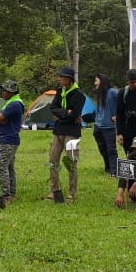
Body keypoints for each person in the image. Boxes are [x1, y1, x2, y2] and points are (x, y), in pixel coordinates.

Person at [47, 66, 85, 203]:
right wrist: (65, 113)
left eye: (62, 77)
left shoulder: (78, 95)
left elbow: (74, 114)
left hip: (72, 133)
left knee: (72, 163)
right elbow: (52, 108)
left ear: (69, 79)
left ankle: (72, 193)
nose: (59, 79)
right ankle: (54, 190)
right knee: (53, 161)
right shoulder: (59, 91)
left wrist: (61, 115)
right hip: (58, 131)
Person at [0, 80, 24, 208]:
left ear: (11, 92)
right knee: (9, 167)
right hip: (9, 138)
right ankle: (11, 193)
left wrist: (0, 117)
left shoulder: (14, 104)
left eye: (5, 91)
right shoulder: (12, 103)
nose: (3, 93)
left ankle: (5, 195)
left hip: (7, 139)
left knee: (1, 167)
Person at [92, 74, 119, 175]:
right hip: (98, 126)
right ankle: (108, 168)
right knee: (102, 149)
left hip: (109, 127)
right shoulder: (99, 94)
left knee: (111, 149)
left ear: (102, 81)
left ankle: (114, 171)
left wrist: (118, 115)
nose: (95, 83)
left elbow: (123, 102)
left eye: (96, 81)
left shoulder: (113, 92)